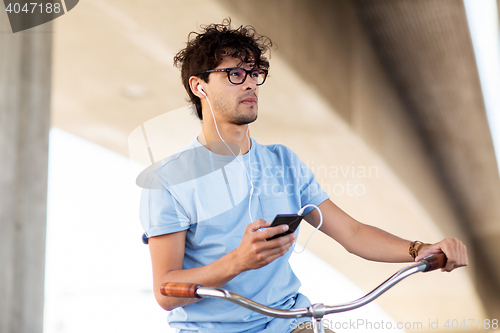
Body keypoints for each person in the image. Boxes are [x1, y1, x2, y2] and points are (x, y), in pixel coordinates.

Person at [139, 19, 468, 333]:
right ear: (200, 86)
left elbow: (352, 233)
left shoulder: (283, 162)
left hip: (289, 323)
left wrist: (419, 249)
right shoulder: (169, 179)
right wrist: (238, 261)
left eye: (256, 72)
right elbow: (166, 291)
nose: (251, 82)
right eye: (235, 73)